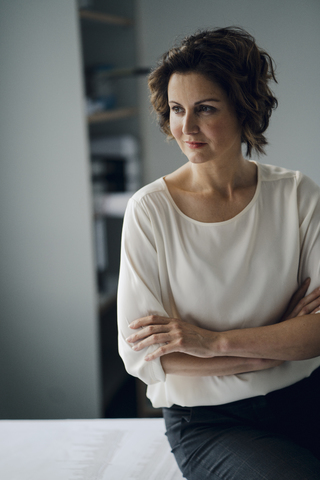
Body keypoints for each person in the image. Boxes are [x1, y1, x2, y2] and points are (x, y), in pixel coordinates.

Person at [117, 27, 320, 479]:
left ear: (244, 110)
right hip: (211, 421)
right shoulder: (150, 211)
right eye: (176, 109)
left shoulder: (296, 196)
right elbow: (147, 357)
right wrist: (275, 345)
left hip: (307, 397)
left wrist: (211, 342)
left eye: (205, 109)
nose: (186, 127)